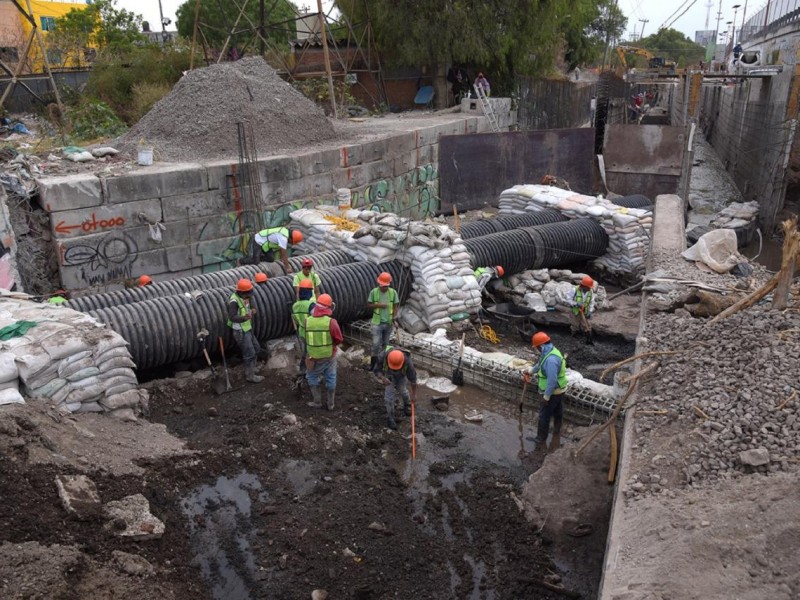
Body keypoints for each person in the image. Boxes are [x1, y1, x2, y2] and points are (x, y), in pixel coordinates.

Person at [523, 332, 568, 452]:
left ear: (541, 346)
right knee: (558, 411)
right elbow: (540, 364)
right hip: (560, 390)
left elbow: (552, 381)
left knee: (544, 415)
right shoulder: (550, 351)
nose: (536, 349)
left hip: (552, 392)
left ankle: (540, 438)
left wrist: (546, 396)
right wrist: (531, 370)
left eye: (537, 347)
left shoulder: (551, 360)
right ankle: (557, 432)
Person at [304, 293, 342, 410]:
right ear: (329, 307)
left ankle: (317, 402)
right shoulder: (331, 322)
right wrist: (331, 346)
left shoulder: (307, 321)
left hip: (313, 357)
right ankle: (330, 404)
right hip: (329, 356)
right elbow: (339, 339)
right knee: (331, 378)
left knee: (312, 378)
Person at [227, 278, 264, 384]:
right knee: (249, 353)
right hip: (240, 331)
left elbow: (252, 303)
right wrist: (244, 318)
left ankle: (252, 369)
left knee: (256, 348)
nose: (249, 296)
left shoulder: (247, 296)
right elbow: (232, 317)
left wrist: (253, 309)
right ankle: (250, 376)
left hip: (247, 328)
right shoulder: (234, 301)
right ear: (242, 292)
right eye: (247, 294)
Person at [374, 345, 417, 430]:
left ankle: (407, 404)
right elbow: (376, 370)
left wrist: (414, 394)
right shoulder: (382, 356)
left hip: (401, 376)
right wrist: (383, 378)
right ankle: (390, 417)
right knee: (389, 397)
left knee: (403, 391)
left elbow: (413, 380)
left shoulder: (408, 362)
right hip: (388, 376)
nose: (395, 369)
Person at [366, 272, 400, 372]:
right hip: (377, 323)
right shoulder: (374, 292)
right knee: (376, 344)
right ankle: (373, 365)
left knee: (386, 344)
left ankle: (384, 365)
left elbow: (395, 305)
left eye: (386, 286)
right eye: (382, 286)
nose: (384, 288)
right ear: (379, 283)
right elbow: (368, 305)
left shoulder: (393, 292)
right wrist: (378, 305)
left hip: (388, 323)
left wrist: (394, 318)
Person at [292, 279, 315, 376]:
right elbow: (316, 318)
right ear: (309, 292)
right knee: (309, 353)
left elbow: (296, 319)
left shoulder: (295, 305)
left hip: (302, 331)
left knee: (306, 351)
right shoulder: (311, 305)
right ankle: (306, 370)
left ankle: (304, 369)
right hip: (311, 332)